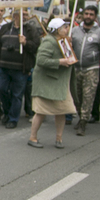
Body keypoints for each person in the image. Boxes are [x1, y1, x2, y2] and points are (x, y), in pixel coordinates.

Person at [29, 18, 77, 148]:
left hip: (59, 82)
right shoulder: (49, 42)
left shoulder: (63, 40)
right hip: (46, 82)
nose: (67, 29)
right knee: (41, 111)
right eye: (64, 27)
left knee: (62, 110)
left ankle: (59, 138)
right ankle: (33, 137)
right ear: (57, 30)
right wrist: (60, 62)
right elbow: (41, 60)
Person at [0, 9, 41, 129]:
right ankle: (8, 112)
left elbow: (36, 46)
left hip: (20, 68)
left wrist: (26, 43)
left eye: (26, 14)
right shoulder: (5, 28)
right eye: (22, 14)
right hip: (4, 67)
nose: (25, 17)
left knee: (17, 94)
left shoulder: (30, 30)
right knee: (0, 88)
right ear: (15, 16)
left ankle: (13, 119)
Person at [69, 5, 100, 136]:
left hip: (91, 69)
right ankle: (80, 115)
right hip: (76, 68)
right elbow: (68, 49)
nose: (88, 16)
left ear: (95, 16)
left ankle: (83, 122)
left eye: (91, 14)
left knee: (88, 96)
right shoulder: (75, 30)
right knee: (76, 96)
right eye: (86, 14)